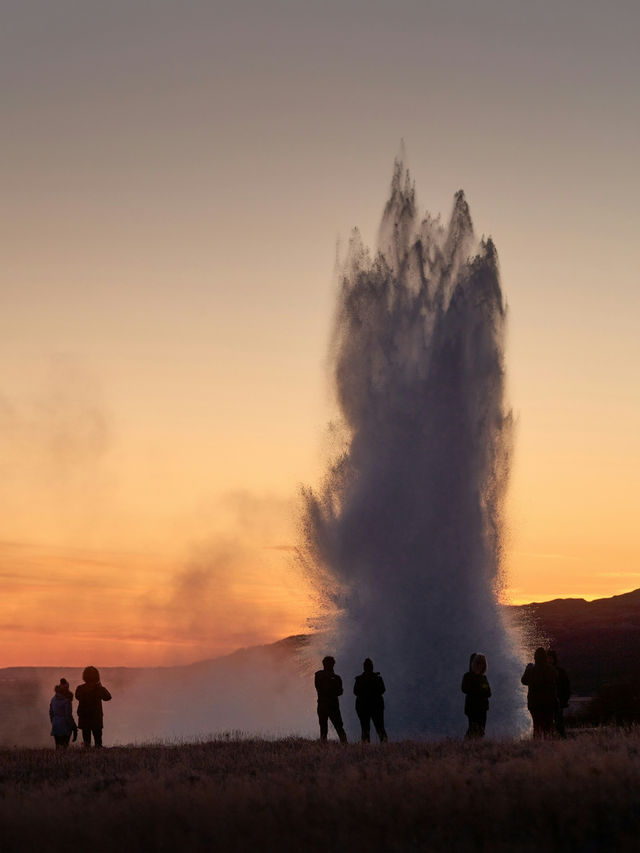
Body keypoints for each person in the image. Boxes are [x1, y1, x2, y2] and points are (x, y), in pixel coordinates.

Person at [521, 647, 558, 738]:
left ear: (535, 657)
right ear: (545, 657)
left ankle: (537, 744)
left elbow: (524, 681)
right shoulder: (551, 669)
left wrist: (527, 669)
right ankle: (548, 745)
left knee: (537, 726)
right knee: (548, 726)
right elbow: (556, 679)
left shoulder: (532, 670)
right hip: (549, 702)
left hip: (535, 704)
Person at [75, 666, 112, 748]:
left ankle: (87, 755)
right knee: (98, 742)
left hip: (84, 717)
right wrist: (100, 686)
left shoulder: (80, 688)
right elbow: (108, 697)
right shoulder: (99, 688)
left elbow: (77, 697)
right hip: (96, 718)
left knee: (86, 742)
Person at [353, 658, 387, 743]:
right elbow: (382, 690)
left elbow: (356, 692)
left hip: (365, 707)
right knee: (378, 727)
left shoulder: (360, 679)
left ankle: (366, 746)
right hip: (374, 706)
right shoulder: (377, 678)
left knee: (366, 728)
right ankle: (384, 744)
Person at [314, 656, 347, 743]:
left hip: (323, 705)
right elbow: (339, 692)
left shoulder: (318, 675)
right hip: (332, 705)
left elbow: (319, 688)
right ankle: (345, 745)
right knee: (339, 727)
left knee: (324, 728)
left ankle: (323, 746)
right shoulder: (336, 677)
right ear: (332, 665)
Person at [461, 653, 491, 738]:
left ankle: (477, 746)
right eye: (478, 663)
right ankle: (468, 745)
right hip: (472, 708)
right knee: (473, 728)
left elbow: (488, 692)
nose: (480, 665)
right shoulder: (468, 676)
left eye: (482, 663)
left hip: (483, 708)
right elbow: (464, 689)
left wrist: (478, 691)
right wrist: (479, 690)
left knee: (481, 730)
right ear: (473, 664)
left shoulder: (483, 678)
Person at [548, 649, 571, 739]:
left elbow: (566, 686)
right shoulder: (558, 671)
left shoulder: (561, 671)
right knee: (550, 723)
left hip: (558, 701)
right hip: (548, 701)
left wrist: (564, 700)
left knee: (558, 722)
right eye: (548, 658)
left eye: (551, 658)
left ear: (554, 659)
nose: (549, 660)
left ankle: (561, 738)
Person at [49, 678, 78, 749]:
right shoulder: (67, 701)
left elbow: (51, 713)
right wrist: (74, 727)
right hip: (65, 725)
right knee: (65, 746)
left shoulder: (53, 699)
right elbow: (68, 716)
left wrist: (53, 722)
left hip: (56, 724)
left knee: (58, 746)